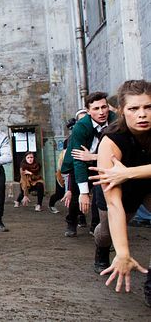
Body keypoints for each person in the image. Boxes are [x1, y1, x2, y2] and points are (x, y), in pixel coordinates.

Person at [88, 80, 151, 303]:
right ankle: (101, 248)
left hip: (143, 180)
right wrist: (123, 253)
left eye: (148, 107)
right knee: (106, 232)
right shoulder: (111, 141)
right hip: (118, 189)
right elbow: (115, 204)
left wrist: (130, 173)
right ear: (122, 111)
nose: (142, 114)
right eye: (134, 109)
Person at [63, 91, 116, 272]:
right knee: (78, 197)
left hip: (105, 165)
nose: (101, 112)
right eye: (96, 108)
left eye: (104, 107)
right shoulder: (81, 127)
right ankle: (71, 221)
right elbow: (78, 159)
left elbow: (118, 152)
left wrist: (93, 156)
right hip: (81, 164)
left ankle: (96, 226)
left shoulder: (116, 121)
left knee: (101, 204)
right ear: (88, 111)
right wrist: (84, 192)